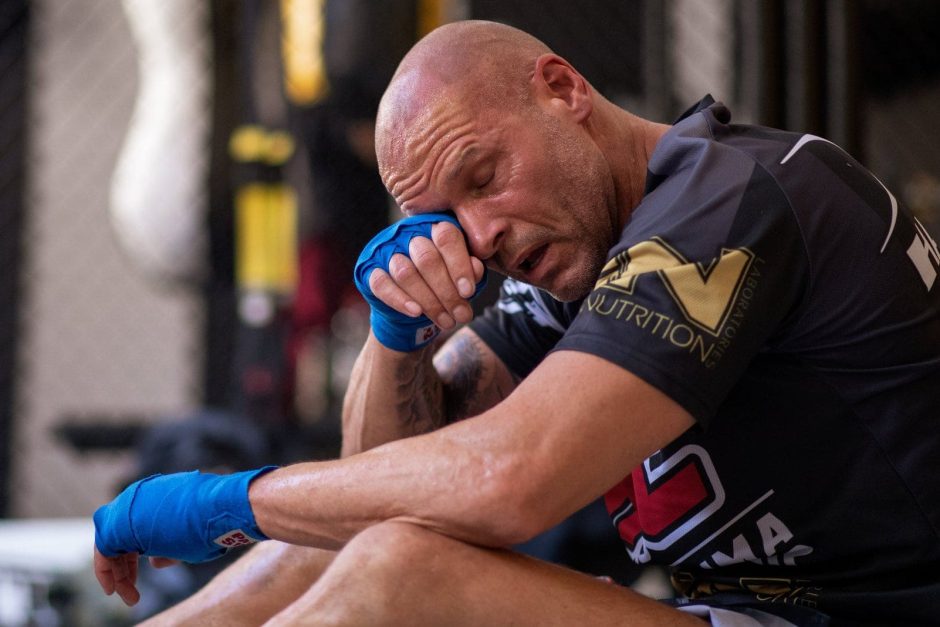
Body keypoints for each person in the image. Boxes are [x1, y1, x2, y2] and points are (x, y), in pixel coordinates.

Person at [91, 20, 940, 627]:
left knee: (402, 571)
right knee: (382, 530)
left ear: (564, 89)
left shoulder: (727, 199)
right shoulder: (575, 255)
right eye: (445, 216)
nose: (481, 233)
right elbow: (383, 481)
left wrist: (226, 501)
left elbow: (509, 481)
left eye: (483, 174)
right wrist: (399, 335)